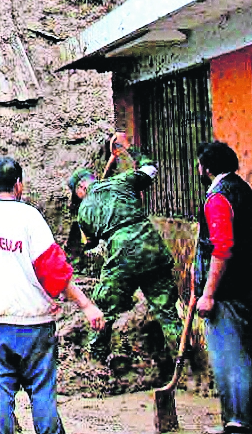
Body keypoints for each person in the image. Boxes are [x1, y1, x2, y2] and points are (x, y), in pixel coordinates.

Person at [0, 156, 105, 434]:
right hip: (34, 324)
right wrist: (87, 305)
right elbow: (55, 272)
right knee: (42, 391)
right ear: (19, 185)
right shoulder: (29, 217)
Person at [65, 132, 182, 369]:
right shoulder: (122, 181)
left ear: (80, 189)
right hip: (152, 248)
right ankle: (186, 364)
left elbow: (92, 245)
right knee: (167, 311)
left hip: (122, 255)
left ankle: (94, 363)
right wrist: (129, 148)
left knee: (104, 308)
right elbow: (150, 169)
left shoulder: (83, 211)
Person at [194, 141, 252, 434]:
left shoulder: (218, 198)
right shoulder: (243, 190)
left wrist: (209, 293)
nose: (199, 169)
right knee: (241, 353)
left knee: (230, 357)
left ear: (207, 167)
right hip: (246, 287)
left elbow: (222, 248)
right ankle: (246, 422)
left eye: (200, 164)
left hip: (227, 293)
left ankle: (239, 424)